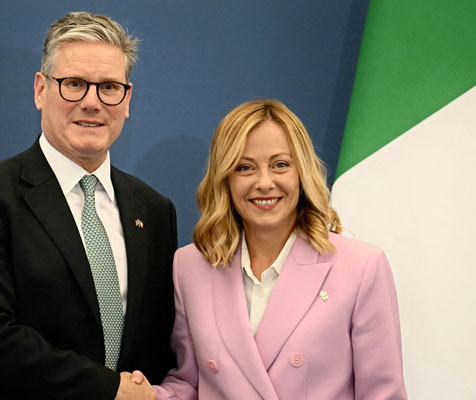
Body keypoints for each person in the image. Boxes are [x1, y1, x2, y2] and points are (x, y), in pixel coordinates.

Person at [0, 12, 176, 399]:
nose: (92, 102)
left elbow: (157, 344)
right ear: (40, 90)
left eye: (109, 87)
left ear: (127, 99)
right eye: (75, 84)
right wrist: (107, 390)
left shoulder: (153, 210)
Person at [147, 100, 407, 399]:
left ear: (302, 172)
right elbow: (190, 384)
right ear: (225, 179)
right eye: (244, 168)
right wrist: (143, 395)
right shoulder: (190, 266)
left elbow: (383, 394)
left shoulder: (361, 266)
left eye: (280, 164)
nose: (265, 182)